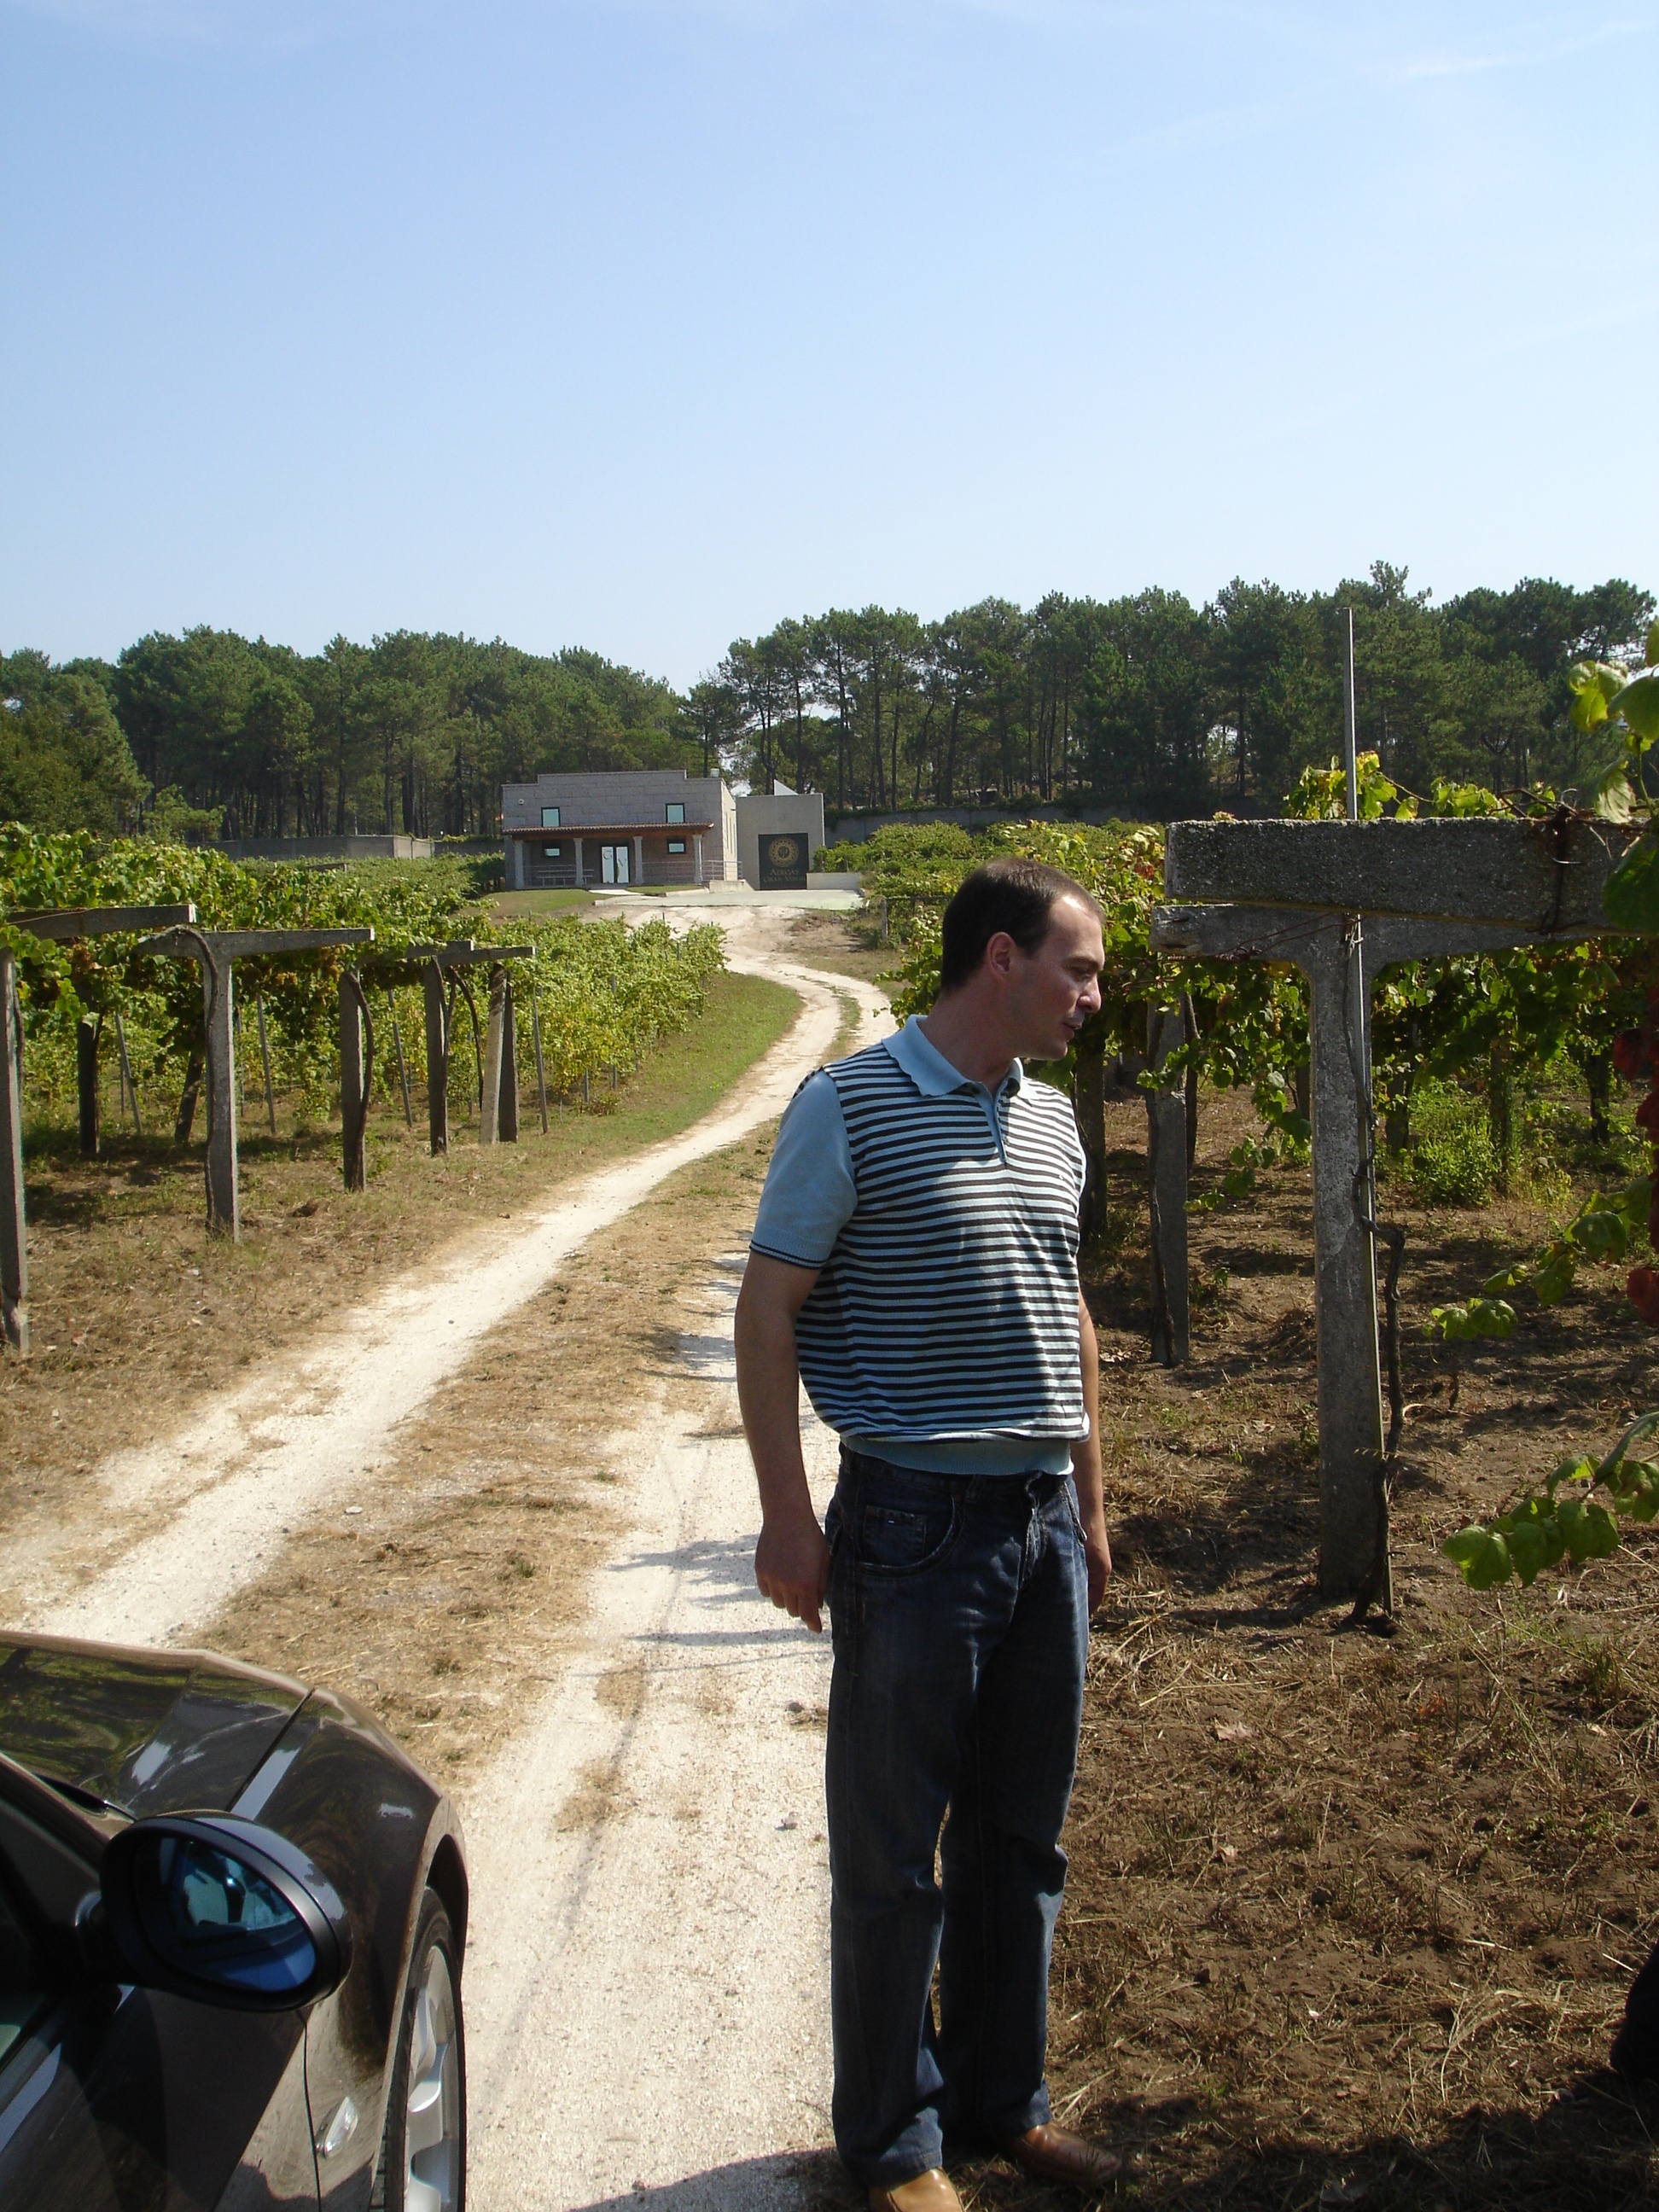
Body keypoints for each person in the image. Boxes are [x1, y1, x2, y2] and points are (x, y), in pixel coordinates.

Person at [734, 857, 1121, 2212]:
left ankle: (1002, 2103)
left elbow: (1067, 1309)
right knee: (894, 1856)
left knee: (1022, 1842)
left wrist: (1091, 1496)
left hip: (1040, 1529)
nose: (1094, 992)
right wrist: (789, 1515)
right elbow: (768, 1310)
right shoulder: (848, 1108)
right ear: (1000, 961)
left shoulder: (1059, 1124)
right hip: (909, 1521)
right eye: (1078, 966)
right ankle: (893, 2140)